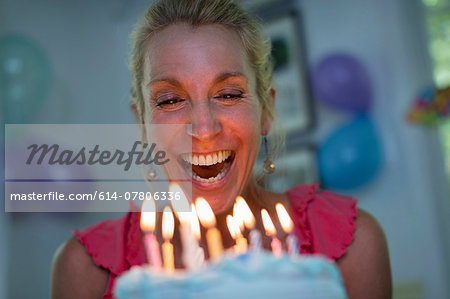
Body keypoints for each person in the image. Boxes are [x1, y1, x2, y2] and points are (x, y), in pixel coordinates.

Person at [50, 0, 392, 298]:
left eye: (228, 95)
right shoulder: (84, 269)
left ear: (267, 111)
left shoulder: (354, 245)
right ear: (142, 123)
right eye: (170, 100)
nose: (203, 129)